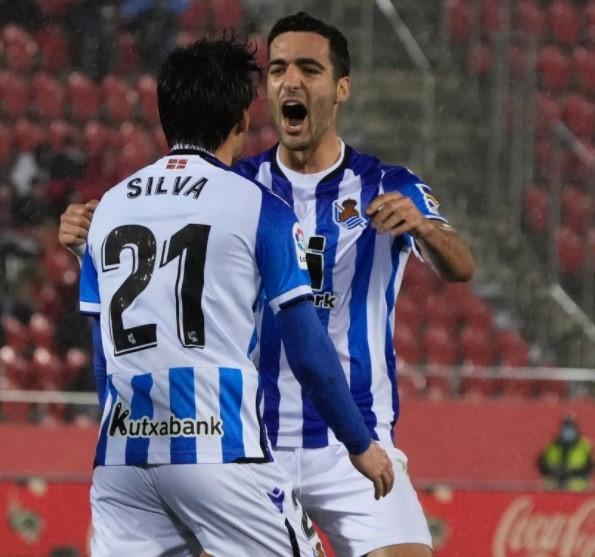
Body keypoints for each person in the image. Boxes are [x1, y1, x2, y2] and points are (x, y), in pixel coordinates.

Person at [60, 12, 475, 557]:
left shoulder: (385, 184)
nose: (290, 81)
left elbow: (460, 266)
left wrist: (423, 227)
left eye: (309, 67)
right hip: (249, 436)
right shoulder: (237, 187)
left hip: (350, 437)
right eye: (278, 69)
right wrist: (84, 240)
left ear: (340, 87)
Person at [538, 415, 593, 491]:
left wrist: (571, 473)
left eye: (571, 427)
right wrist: (555, 472)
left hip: (577, 491)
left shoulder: (584, 446)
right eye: (565, 427)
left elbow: (589, 467)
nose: (567, 431)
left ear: (576, 428)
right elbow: (542, 466)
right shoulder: (552, 446)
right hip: (553, 491)